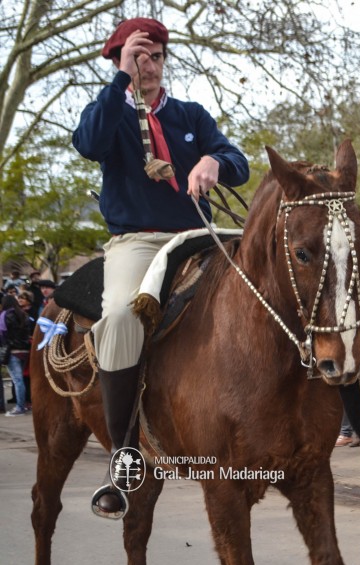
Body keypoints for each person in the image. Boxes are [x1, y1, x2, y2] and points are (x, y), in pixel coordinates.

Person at [72, 17, 249, 517]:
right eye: (135, 57)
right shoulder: (107, 113)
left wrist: (215, 161)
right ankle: (124, 452)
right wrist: (120, 82)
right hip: (139, 242)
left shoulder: (191, 113)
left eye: (154, 57)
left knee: (270, 285)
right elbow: (88, 144)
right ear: (119, 62)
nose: (147, 66)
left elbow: (238, 161)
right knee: (121, 319)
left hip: (198, 237)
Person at [1, 295, 33, 416]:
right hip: (24, 350)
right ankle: (25, 404)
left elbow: (2, 333)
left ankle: (20, 407)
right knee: (22, 380)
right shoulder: (23, 314)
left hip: (12, 350)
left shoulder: (5, 315)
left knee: (17, 380)